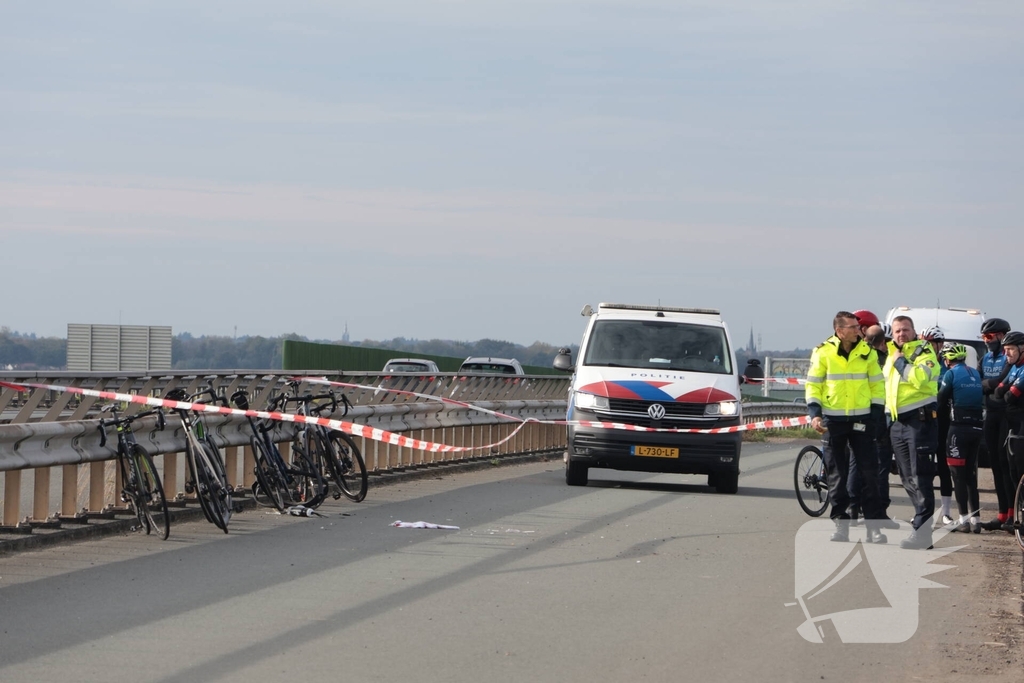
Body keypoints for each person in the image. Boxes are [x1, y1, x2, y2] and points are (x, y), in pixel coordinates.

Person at [806, 311, 887, 543]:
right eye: (852, 327)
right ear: (839, 331)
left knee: (869, 474)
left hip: (863, 420)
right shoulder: (823, 352)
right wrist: (815, 414)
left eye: (858, 326)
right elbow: (814, 386)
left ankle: (874, 528)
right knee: (837, 476)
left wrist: (875, 414)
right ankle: (841, 526)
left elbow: (877, 386)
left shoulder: (867, 352)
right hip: (833, 421)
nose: (858, 330)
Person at [884, 315, 940, 549]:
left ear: (914, 331)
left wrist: (900, 362)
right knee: (907, 478)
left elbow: (921, 379)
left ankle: (923, 532)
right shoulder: (889, 355)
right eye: (897, 331)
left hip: (920, 423)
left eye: (905, 330)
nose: (900, 334)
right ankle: (921, 528)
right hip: (896, 424)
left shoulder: (924, 353)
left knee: (921, 477)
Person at [936, 342, 984, 533]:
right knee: (971, 476)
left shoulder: (951, 373)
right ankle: (976, 521)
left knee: (958, 475)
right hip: (977, 428)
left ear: (948, 359)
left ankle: (963, 520)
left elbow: (940, 400)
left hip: (958, 430)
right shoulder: (975, 373)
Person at [978, 317, 1015, 531]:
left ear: (1001, 336)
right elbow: (981, 383)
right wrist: (990, 385)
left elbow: (1001, 382)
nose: (986, 340)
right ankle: (1001, 514)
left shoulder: (1008, 357)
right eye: (983, 337)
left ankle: (1012, 514)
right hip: (990, 414)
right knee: (994, 465)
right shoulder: (985, 358)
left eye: (989, 337)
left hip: (1006, 415)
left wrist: (990, 385)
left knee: (1005, 463)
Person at [920, 326, 954, 527]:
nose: (927, 346)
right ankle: (922, 511)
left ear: (940, 345)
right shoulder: (918, 361)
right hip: (922, 418)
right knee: (920, 466)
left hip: (942, 419)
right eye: (925, 342)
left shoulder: (947, 365)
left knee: (943, 465)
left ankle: (947, 512)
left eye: (931, 342)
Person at [993, 330, 1024, 534]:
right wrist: (1005, 390)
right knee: (1013, 473)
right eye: (1005, 350)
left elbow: (1009, 397)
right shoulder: (1014, 368)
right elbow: (998, 392)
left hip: (1021, 425)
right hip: (1013, 426)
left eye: (1011, 349)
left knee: (1020, 472)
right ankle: (1014, 517)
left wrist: (1005, 390)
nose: (1007, 354)